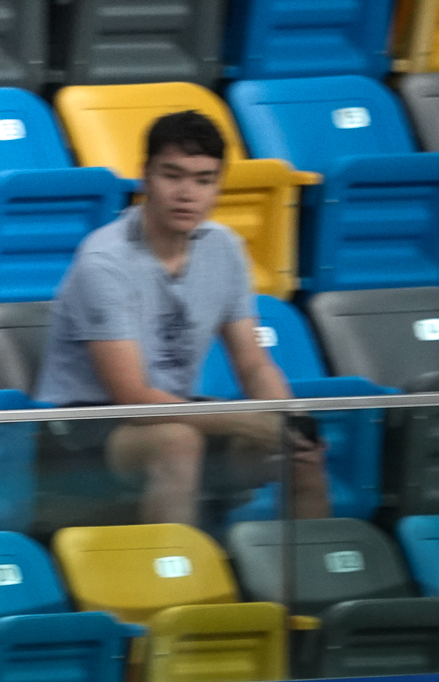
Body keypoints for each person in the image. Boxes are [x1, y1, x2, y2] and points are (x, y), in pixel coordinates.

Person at [35, 110, 328, 527]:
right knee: (178, 442)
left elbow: (252, 362)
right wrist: (247, 420)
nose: (187, 193)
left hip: (173, 411)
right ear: (144, 177)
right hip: (85, 426)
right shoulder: (103, 261)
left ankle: (309, 585)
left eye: (203, 180)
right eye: (172, 176)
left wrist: (287, 419)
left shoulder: (224, 248)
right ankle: (176, 585)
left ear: (218, 186)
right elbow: (133, 398)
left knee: (300, 452)